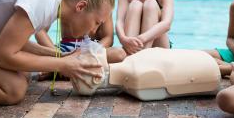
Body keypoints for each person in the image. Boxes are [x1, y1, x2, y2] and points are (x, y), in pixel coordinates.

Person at [71, 41, 220, 100]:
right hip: (207, 67)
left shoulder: (134, 71)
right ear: (97, 78)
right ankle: (233, 66)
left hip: (205, 65)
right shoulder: (137, 77)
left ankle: (233, 66)